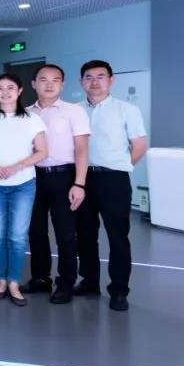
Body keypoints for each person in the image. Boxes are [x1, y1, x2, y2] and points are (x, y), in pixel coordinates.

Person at [0, 73, 48, 307]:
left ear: (20, 90)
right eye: (0, 88)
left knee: (17, 236)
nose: (5, 92)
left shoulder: (32, 119)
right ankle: (1, 280)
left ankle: (14, 282)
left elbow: (42, 151)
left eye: (10, 87)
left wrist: (16, 167)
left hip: (23, 184)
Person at [76, 59, 147, 311]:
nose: (94, 82)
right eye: (88, 77)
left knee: (118, 237)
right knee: (85, 234)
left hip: (114, 179)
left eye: (100, 76)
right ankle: (89, 281)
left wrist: (120, 166)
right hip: (81, 179)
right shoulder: (75, 110)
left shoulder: (127, 110)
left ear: (111, 80)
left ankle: (119, 291)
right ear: (81, 82)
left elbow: (139, 145)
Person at [24, 64, 91, 304]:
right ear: (34, 84)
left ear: (62, 85)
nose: (49, 84)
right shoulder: (25, 113)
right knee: (36, 231)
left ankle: (65, 283)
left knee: (65, 234)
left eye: (55, 80)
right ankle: (40, 278)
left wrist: (79, 184)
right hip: (33, 177)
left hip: (64, 177)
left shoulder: (74, 111)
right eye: (43, 79)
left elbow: (82, 149)